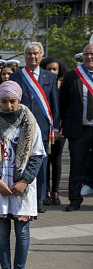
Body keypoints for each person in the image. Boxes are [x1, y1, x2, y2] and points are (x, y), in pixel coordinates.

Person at [0, 81, 45, 269]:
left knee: (22, 232)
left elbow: (36, 155)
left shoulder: (30, 123)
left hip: (21, 186)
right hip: (1, 185)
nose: (8, 106)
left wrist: (24, 181)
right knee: (1, 232)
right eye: (4, 101)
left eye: (12, 101)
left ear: (19, 100)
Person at [9, 42, 60, 213]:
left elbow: (54, 105)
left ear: (41, 56)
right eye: (29, 53)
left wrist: (56, 128)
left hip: (43, 129)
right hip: (21, 128)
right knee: (21, 164)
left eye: (36, 53)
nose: (32, 56)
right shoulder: (16, 77)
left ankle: (39, 200)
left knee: (41, 165)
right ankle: (22, 196)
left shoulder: (50, 77)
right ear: (25, 56)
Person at [59, 43, 93, 211]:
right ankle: (74, 200)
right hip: (79, 130)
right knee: (76, 165)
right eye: (86, 54)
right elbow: (62, 102)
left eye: (92, 54)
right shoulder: (73, 76)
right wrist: (61, 124)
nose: (89, 57)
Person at [39, 57, 67, 205]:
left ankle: (55, 191)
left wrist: (61, 127)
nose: (51, 72)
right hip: (44, 128)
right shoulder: (42, 85)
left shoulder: (64, 85)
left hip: (59, 129)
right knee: (46, 160)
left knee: (56, 160)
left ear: (59, 71)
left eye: (54, 69)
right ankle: (46, 191)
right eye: (48, 69)